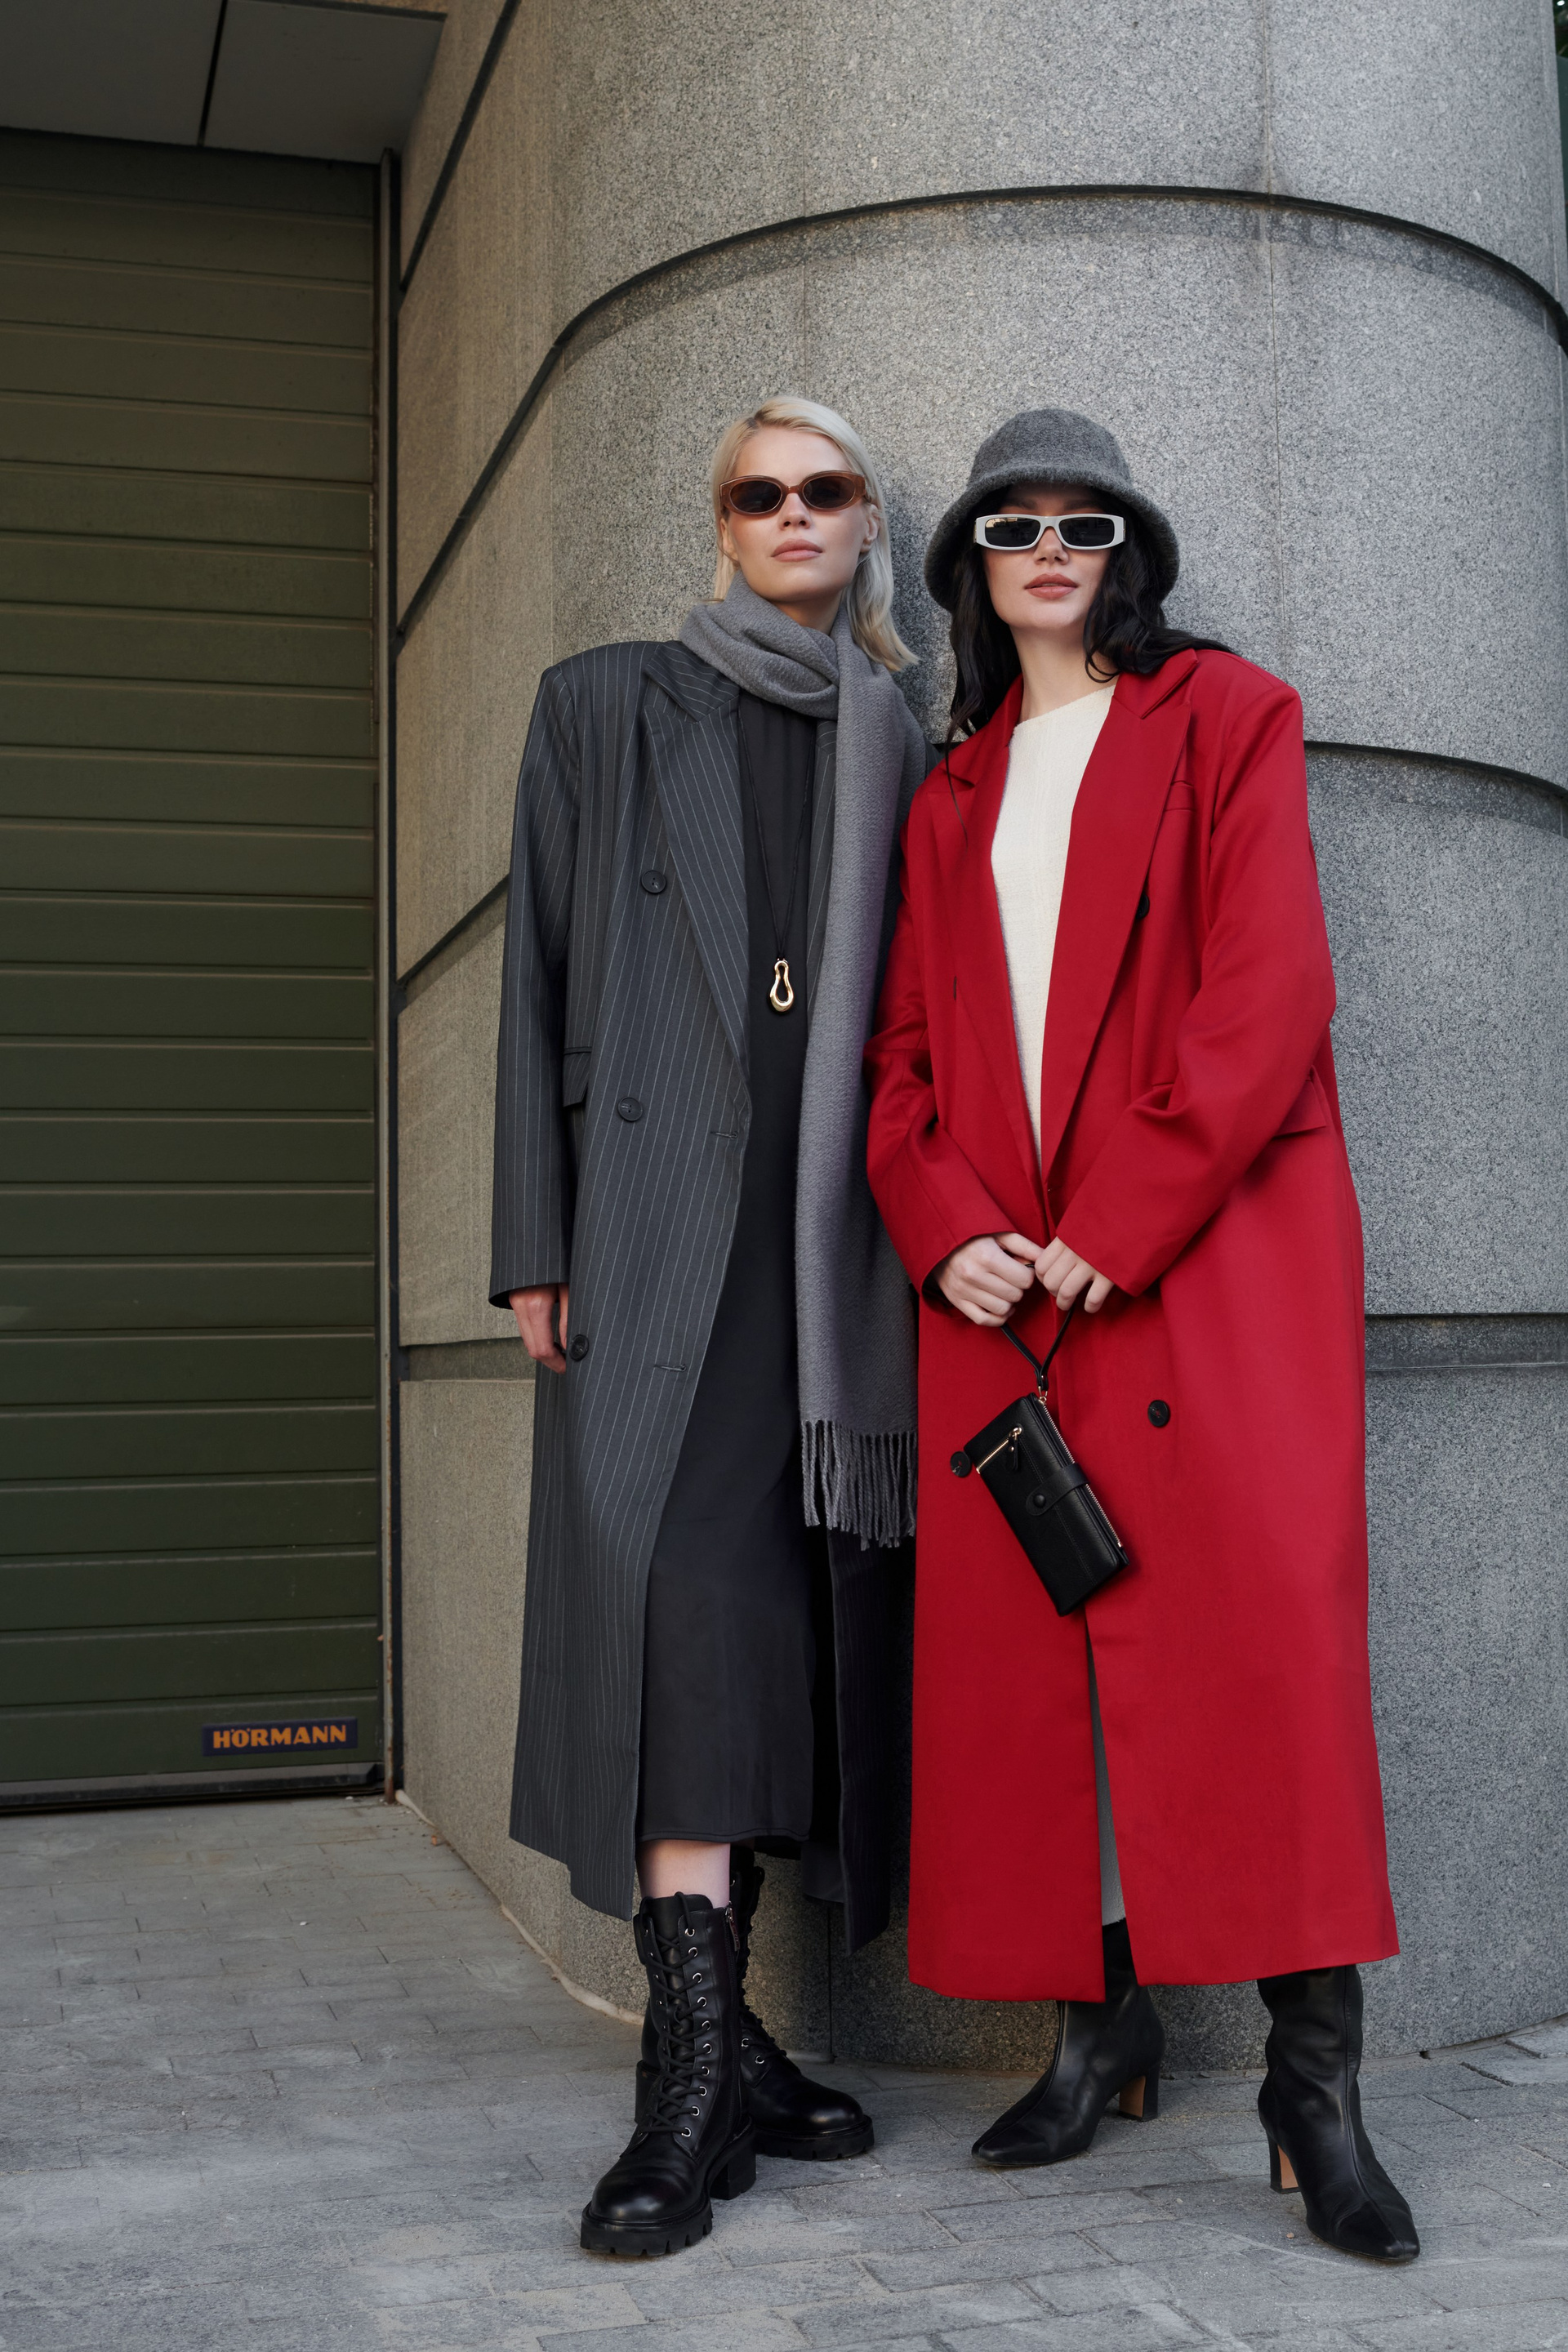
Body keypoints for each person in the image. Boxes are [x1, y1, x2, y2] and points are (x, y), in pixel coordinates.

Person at [863, 408, 1419, 2265]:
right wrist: (948, 1230)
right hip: (1009, 1298)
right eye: (1011, 524)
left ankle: (1314, 2091)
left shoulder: (1224, 719)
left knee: (1264, 1659)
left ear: (1129, 555)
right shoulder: (948, 795)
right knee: (1045, 1677)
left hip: (1204, 1263)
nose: (1048, 548)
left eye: (1082, 523)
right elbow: (899, 1062)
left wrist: (1114, 1223)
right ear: (970, 566)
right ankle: (1094, 2036)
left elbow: (1270, 992)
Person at [489, 398, 928, 2257]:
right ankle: (687, 2089)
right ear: (722, 523)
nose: (793, 514)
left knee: (772, 1642)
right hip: (656, 1239)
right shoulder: (605, 704)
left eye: (826, 490)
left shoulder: (908, 737)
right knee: (675, 1620)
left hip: (831, 1261)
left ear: (867, 520)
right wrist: (534, 1241)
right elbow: (533, 981)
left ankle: (725, 2059)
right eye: (761, 493)